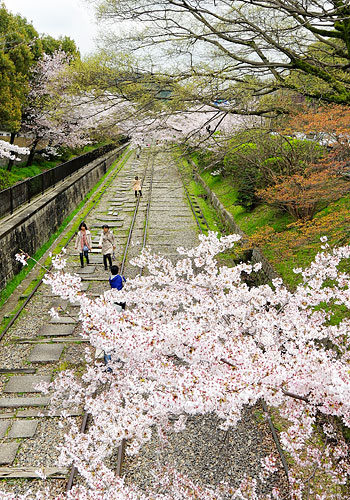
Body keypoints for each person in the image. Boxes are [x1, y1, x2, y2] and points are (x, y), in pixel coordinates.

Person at [104, 264, 126, 370]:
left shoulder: (110, 278)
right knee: (122, 309)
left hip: (113, 297)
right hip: (120, 296)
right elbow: (125, 282)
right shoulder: (120, 277)